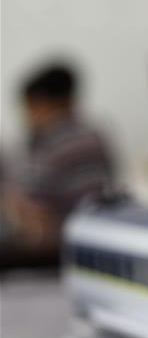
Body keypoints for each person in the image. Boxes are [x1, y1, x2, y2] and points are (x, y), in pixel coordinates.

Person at [0, 64, 115, 271]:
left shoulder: (51, 144)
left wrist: (9, 200)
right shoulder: (97, 137)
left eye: (29, 108)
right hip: (95, 245)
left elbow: (34, 219)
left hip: (53, 255)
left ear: (44, 104)